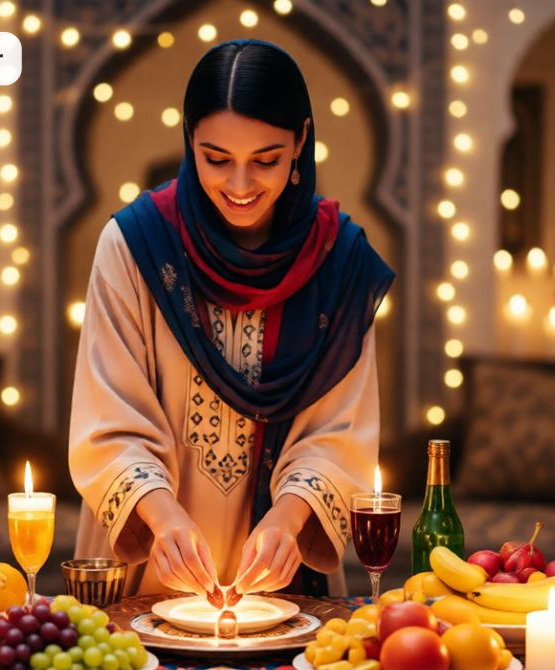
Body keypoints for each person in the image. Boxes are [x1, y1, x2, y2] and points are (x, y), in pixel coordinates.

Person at [69, 40, 393, 599]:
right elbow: (106, 418)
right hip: (147, 567)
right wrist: (162, 516)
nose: (240, 187)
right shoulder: (135, 245)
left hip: (284, 580)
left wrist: (289, 520)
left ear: (301, 141)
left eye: (265, 160)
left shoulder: (339, 263)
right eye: (216, 158)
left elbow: (341, 431)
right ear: (189, 140)